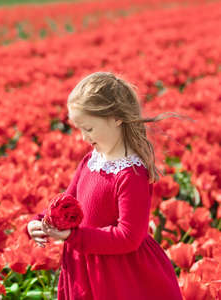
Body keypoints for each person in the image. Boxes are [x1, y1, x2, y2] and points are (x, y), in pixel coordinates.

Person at [27, 72, 187, 300]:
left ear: (116, 118)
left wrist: (73, 237)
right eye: (80, 129)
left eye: (89, 129)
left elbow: (129, 237)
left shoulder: (131, 173)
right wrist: (42, 221)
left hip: (120, 276)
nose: (83, 138)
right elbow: (66, 203)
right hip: (84, 268)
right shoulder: (91, 161)